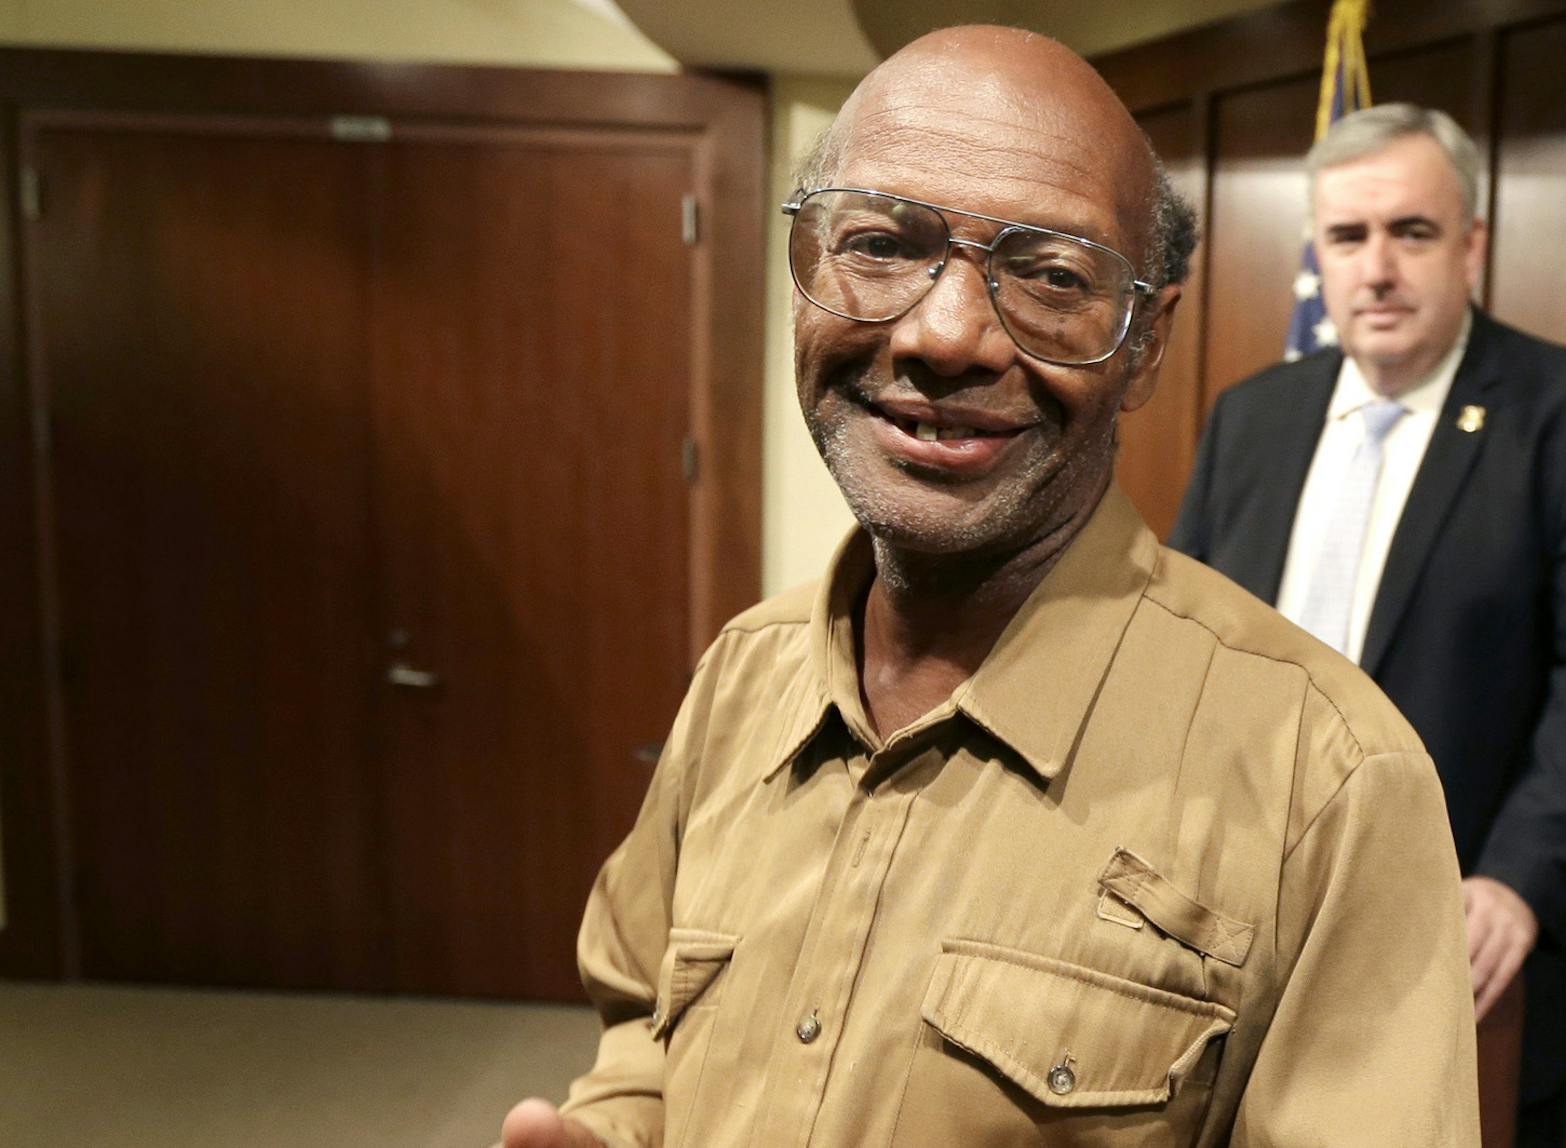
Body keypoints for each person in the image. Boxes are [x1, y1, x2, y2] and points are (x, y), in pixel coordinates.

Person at [495, 31, 1479, 1148]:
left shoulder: (1334, 782)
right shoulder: (742, 674)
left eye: (1053, 275)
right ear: (806, 267)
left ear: (1143, 344)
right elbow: (642, 1027)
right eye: (879, 242)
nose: (944, 334)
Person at [1169, 103, 1566, 1146]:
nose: (1378, 269)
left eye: (1412, 232)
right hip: (1245, 938)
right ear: (1318, 253)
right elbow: (1189, 643)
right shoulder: (1252, 417)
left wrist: (1516, 881)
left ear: (1472, 246)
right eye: (1348, 238)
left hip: (1467, 942)